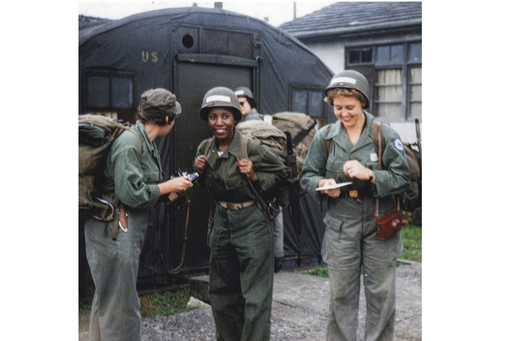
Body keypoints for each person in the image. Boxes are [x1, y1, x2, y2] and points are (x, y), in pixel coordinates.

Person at [299, 70, 410, 341]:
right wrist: (323, 184)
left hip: (379, 220)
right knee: (340, 295)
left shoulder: (383, 134)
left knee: (381, 294)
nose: (344, 113)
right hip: (340, 223)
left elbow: (403, 177)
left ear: (362, 103)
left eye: (350, 107)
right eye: (338, 107)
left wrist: (370, 174)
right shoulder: (324, 137)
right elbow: (306, 176)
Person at [84, 88, 193, 341]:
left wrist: (171, 188)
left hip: (118, 230)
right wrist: (169, 186)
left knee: (110, 301)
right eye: (173, 116)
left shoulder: (145, 142)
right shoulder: (130, 143)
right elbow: (130, 194)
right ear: (167, 119)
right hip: (113, 231)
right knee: (121, 306)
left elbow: (140, 185)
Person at [194, 87, 289, 341]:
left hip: (253, 223)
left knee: (256, 297)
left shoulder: (251, 147)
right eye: (213, 117)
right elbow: (209, 188)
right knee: (222, 294)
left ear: (236, 117)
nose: (219, 123)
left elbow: (283, 176)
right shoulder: (205, 148)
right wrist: (200, 173)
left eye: (225, 116)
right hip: (221, 222)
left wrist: (256, 174)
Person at [235, 86, 284, 272]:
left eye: (242, 103)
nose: (239, 107)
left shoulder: (252, 123)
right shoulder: (246, 121)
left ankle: (272, 259)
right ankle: (275, 258)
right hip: (262, 176)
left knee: (269, 216)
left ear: (250, 104)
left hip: (261, 177)